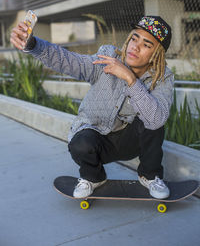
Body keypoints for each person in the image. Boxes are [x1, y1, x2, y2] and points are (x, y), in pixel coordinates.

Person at [10, 15, 174, 200]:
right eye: (134, 38)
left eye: (146, 44)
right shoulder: (108, 58)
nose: (135, 47)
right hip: (98, 140)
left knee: (152, 119)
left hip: (131, 141)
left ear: (157, 53)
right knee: (80, 142)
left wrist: (130, 79)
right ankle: (93, 177)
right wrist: (33, 44)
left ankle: (150, 175)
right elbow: (70, 61)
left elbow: (156, 119)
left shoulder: (162, 78)